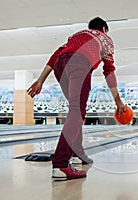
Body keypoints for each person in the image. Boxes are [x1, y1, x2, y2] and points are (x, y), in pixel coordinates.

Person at [27, 17, 125, 181]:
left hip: (60, 66)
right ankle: (61, 165)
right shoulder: (105, 38)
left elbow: (55, 56)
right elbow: (109, 70)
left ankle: (77, 153)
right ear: (104, 28)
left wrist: (40, 80)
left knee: (75, 111)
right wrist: (118, 100)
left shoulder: (77, 35)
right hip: (79, 63)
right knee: (77, 112)